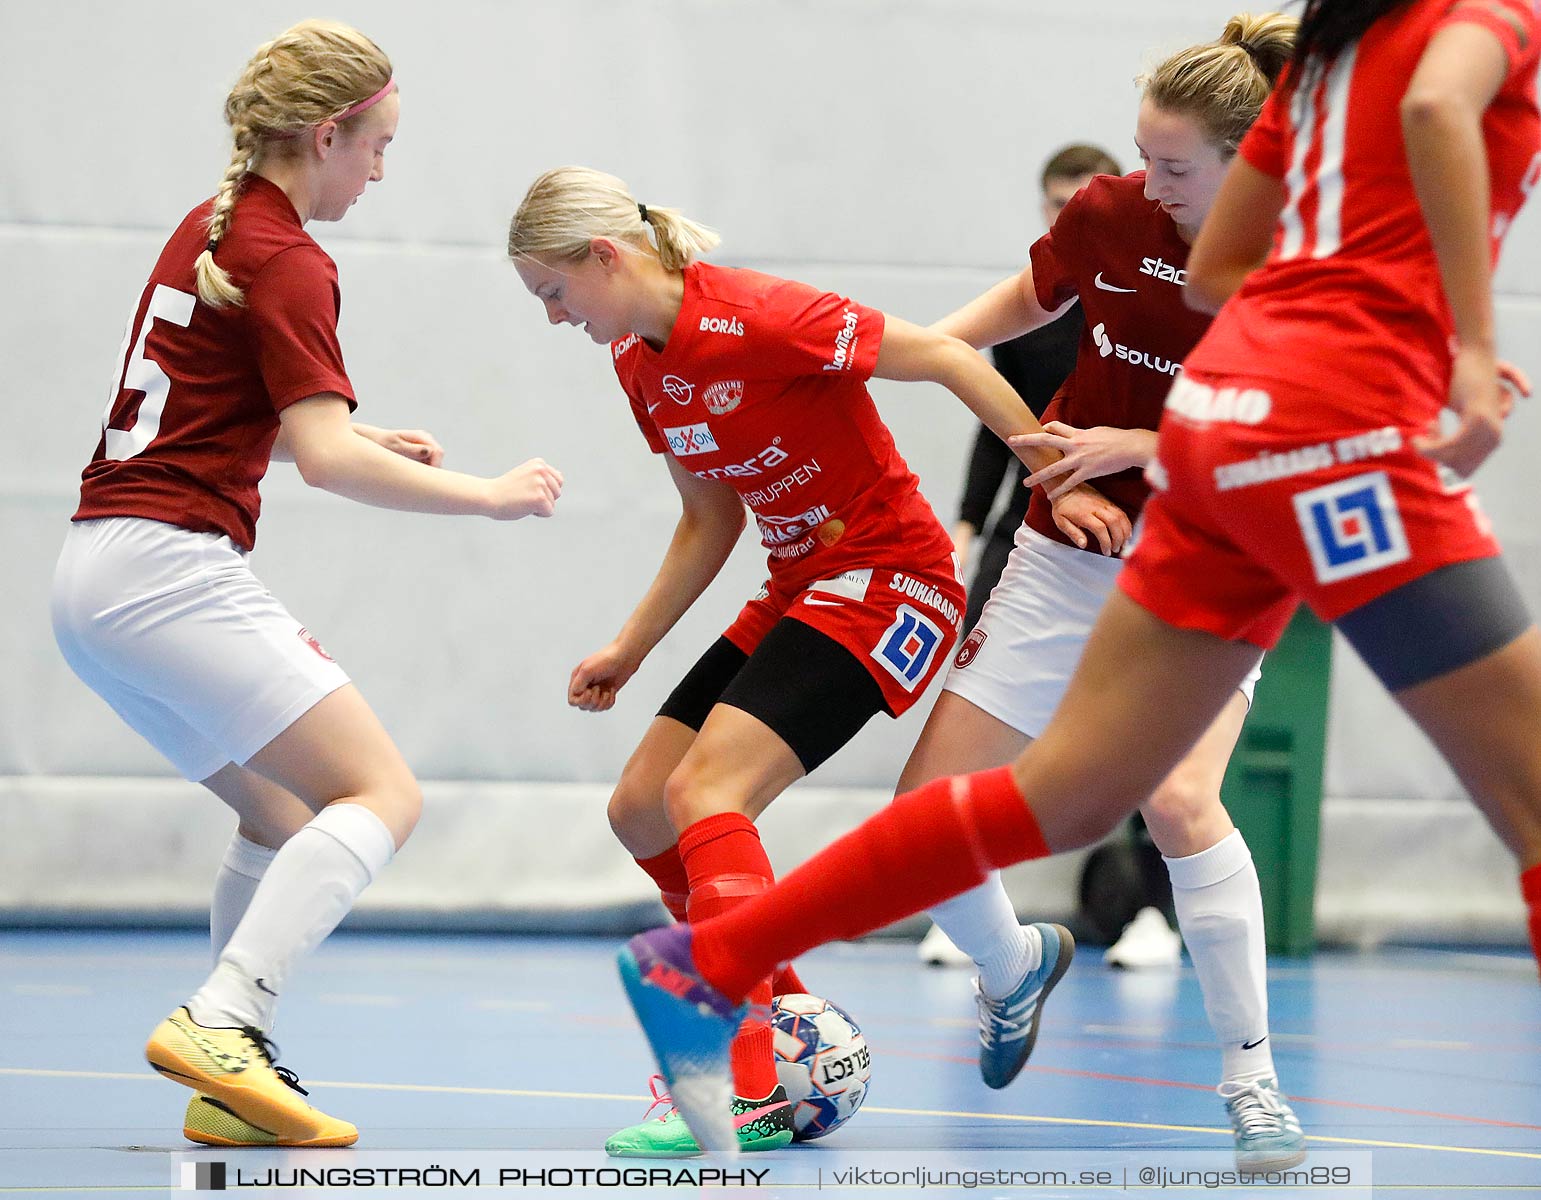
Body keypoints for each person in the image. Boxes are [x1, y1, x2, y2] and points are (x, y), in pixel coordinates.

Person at [617, 0, 1541, 1163]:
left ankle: (708, 961)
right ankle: (733, 964)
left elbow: (1213, 275)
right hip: (1296, 461)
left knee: (1083, 800)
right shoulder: (1459, 36)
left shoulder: (1320, 92)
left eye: (1168, 163)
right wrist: (1453, 340)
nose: (1145, 181)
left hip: (1215, 456)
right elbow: (1429, 107)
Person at [506, 166, 1126, 1156]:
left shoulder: (757, 315)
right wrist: (630, 647)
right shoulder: (638, 364)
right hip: (797, 586)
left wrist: (1050, 475)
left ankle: (742, 1087)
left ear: (604, 257)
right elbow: (709, 518)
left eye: (552, 292)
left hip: (891, 579)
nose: (551, 317)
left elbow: (949, 357)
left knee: (708, 796)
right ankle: (782, 1012)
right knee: (639, 804)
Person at [51, 20, 562, 1148]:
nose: (381, 171)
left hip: (92, 579)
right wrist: (490, 494)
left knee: (279, 818)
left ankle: (228, 1080)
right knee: (381, 795)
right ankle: (225, 1018)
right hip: (165, 569)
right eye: (376, 147)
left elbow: (232, 425)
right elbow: (325, 462)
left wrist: (351, 428)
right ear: (325, 134)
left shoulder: (216, 226)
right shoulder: (291, 258)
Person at [897, 15, 1305, 1168]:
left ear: (1249, 158)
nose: (1148, 182)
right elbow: (1014, 309)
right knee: (925, 820)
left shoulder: (1295, 259)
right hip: (1066, 551)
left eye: (1174, 166)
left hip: (1210, 558)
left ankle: (1250, 1081)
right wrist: (905, 352)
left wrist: (1132, 441)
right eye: (1144, 156)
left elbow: (1285, 445)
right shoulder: (1110, 212)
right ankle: (1013, 966)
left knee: (1179, 803)